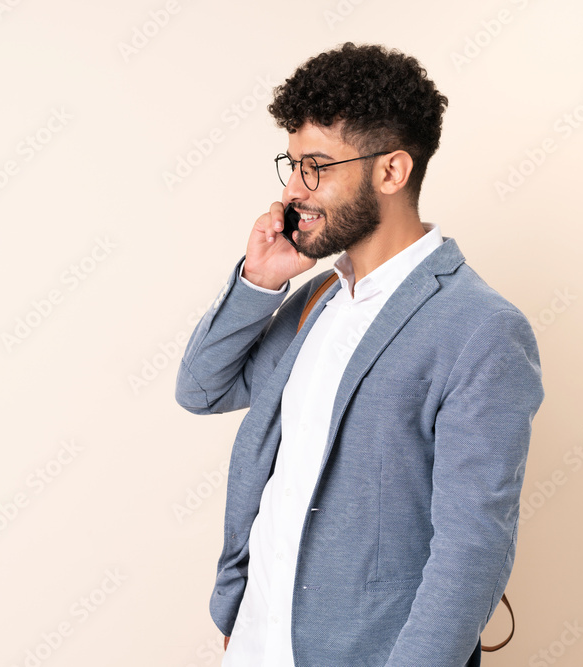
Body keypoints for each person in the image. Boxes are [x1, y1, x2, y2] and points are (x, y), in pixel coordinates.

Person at [175, 42, 544, 666]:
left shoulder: (482, 328)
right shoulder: (320, 296)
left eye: (315, 166)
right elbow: (201, 389)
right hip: (257, 642)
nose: (294, 190)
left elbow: (472, 550)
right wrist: (260, 281)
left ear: (392, 172)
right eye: (291, 165)